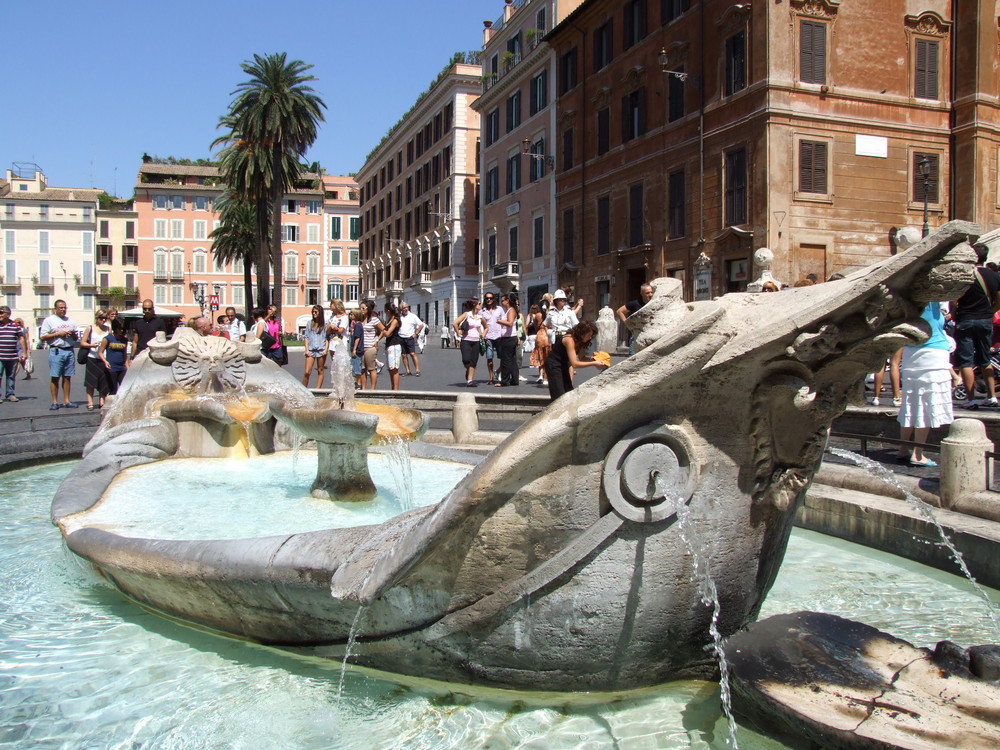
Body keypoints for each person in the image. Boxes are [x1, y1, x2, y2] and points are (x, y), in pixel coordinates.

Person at [895, 303, 954, 467]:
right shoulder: (931, 302)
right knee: (926, 404)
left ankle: (903, 448)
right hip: (932, 356)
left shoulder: (910, 303)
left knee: (910, 403)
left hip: (911, 354)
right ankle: (918, 454)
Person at [951, 243, 1000, 408]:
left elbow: (954, 301)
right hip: (985, 320)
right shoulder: (994, 276)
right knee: (985, 358)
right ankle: (992, 396)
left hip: (965, 319)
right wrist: (992, 310)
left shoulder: (963, 276)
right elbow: (999, 297)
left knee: (966, 361)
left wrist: (955, 316)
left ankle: (970, 399)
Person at [546, 320, 608, 401]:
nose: (590, 338)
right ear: (582, 333)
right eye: (588, 335)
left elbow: (582, 358)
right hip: (554, 364)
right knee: (559, 394)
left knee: (568, 391)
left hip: (564, 364)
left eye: (591, 336)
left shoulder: (580, 340)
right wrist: (594, 363)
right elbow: (575, 364)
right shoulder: (569, 339)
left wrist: (593, 359)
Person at [39, 299, 79, 410]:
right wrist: (58, 334)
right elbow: (42, 336)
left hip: (69, 350)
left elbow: (76, 338)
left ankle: (66, 400)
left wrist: (73, 334)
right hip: (57, 350)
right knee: (55, 377)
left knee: (67, 377)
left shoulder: (70, 321)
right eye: (61, 307)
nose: (63, 309)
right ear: (55, 309)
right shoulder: (49, 320)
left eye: (65, 307)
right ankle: (55, 401)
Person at [81, 308, 112, 409]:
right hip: (92, 357)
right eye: (101, 318)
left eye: (105, 318)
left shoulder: (108, 329)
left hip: (104, 358)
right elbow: (82, 342)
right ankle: (90, 403)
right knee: (90, 381)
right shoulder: (90, 328)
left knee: (103, 381)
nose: (103, 320)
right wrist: (91, 345)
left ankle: (101, 401)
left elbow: (111, 341)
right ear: (96, 318)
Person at [454, 298, 486, 387]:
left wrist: (483, 335)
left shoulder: (480, 317)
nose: (481, 305)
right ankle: (468, 370)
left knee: (473, 362)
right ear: (474, 305)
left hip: (476, 341)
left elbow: (486, 327)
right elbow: (455, 323)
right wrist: (458, 333)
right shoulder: (466, 315)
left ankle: (470, 380)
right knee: (466, 360)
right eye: (479, 303)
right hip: (466, 340)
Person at [616, 283, 654, 355]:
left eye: (652, 292)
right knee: (633, 357)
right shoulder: (635, 303)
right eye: (647, 293)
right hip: (637, 334)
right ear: (642, 293)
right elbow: (619, 311)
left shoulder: (655, 303)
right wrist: (628, 324)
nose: (650, 295)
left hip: (651, 334)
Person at [0, 306, 27, 403]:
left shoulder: (15, 326)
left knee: (11, 376)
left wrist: (24, 352)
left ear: (8, 314)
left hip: (12, 356)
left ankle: (10, 394)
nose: (0, 315)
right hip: (0, 356)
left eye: (2, 313)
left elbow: (21, 338)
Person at [98, 318, 129, 394]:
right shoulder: (108, 338)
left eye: (123, 329)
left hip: (122, 367)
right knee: (113, 389)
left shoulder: (124, 340)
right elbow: (100, 352)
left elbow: (124, 354)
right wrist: (105, 361)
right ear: (115, 328)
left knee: (123, 389)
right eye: (119, 329)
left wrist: (127, 366)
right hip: (112, 367)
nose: (121, 331)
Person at [302, 305, 330, 389]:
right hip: (311, 350)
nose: (314, 314)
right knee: (307, 372)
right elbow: (306, 337)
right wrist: (306, 349)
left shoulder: (325, 324)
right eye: (313, 312)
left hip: (321, 349)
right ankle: (303, 388)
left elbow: (327, 338)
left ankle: (317, 389)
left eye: (316, 312)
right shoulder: (309, 323)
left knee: (320, 370)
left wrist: (326, 350)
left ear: (320, 313)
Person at [360, 300, 385, 390]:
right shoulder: (361, 319)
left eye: (363, 308)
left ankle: (372, 389)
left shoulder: (374, 319)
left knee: (371, 369)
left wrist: (377, 340)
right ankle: (363, 389)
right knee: (362, 369)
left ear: (368, 309)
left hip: (370, 347)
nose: (361, 310)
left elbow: (383, 330)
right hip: (361, 347)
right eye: (360, 308)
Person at [495, 294, 519, 387]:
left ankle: (504, 381)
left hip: (509, 338)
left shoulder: (511, 310)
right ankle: (514, 379)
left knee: (506, 360)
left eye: (502, 300)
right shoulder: (509, 310)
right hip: (508, 338)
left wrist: (499, 321)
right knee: (512, 360)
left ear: (507, 301)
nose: (501, 302)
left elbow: (510, 323)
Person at [379, 302, 404, 390]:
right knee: (390, 368)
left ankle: (396, 389)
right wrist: (377, 340)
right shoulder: (390, 319)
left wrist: (383, 329)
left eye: (385, 311)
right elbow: (384, 332)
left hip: (394, 345)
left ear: (388, 311)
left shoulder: (395, 320)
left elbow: (388, 333)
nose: (385, 312)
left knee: (394, 369)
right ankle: (392, 388)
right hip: (389, 345)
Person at [481, 292, 503, 385]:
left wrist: (503, 334)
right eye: (487, 298)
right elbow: (480, 325)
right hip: (488, 337)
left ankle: (498, 372)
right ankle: (491, 378)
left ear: (494, 299)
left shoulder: (499, 309)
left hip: (499, 336)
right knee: (489, 357)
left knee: (503, 357)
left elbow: (504, 322)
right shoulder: (482, 311)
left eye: (490, 298)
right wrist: (483, 337)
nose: (489, 300)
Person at [398, 302, 424, 377]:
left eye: (407, 307)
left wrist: (416, 333)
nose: (406, 309)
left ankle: (417, 370)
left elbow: (421, 325)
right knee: (403, 355)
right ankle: (407, 370)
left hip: (409, 337)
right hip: (401, 337)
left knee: (412, 354)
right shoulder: (399, 317)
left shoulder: (413, 316)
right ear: (401, 309)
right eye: (404, 308)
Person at [326, 299, 350, 373]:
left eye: (331, 304)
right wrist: (330, 328)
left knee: (341, 363)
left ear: (336, 306)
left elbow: (341, 330)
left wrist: (333, 327)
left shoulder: (344, 317)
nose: (330, 306)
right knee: (334, 362)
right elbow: (327, 331)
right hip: (333, 342)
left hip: (341, 342)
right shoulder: (332, 317)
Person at [349, 309, 365, 390]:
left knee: (357, 367)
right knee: (356, 366)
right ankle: (358, 382)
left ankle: (359, 383)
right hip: (357, 349)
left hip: (357, 350)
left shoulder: (358, 325)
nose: (350, 315)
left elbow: (357, 338)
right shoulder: (357, 325)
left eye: (351, 314)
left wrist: (354, 349)